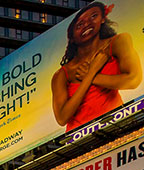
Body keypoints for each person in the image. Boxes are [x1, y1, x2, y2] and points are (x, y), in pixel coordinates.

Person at [51, 2, 143, 131]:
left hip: (118, 125)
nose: (87, 24)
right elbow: (62, 118)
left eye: (94, 16)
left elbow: (133, 80)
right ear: (71, 37)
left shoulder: (117, 42)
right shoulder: (62, 74)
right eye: (80, 25)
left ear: (102, 19)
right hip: (79, 137)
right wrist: (91, 73)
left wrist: (91, 76)